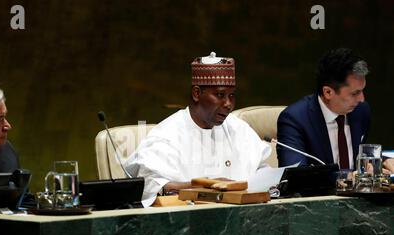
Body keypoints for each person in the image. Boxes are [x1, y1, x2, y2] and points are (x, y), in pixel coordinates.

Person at [125, 52, 271, 207]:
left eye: (231, 95)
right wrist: (205, 188)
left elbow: (262, 171)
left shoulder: (238, 129)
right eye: (220, 94)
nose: (228, 103)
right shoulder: (167, 134)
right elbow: (151, 186)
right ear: (196, 93)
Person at [277, 48, 371, 170]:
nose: (362, 99)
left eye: (362, 90)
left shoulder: (361, 111)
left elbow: (361, 156)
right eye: (355, 93)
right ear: (328, 92)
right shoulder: (294, 119)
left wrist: (384, 161)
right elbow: (296, 175)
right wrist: (345, 178)